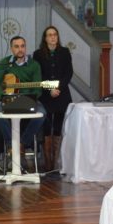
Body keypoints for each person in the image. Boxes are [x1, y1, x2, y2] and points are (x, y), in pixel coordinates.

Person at [0, 36, 47, 169]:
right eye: (17, 46)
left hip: (28, 99)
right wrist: (4, 96)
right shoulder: (5, 63)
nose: (20, 49)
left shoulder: (34, 65)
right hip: (8, 99)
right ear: (11, 48)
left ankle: (21, 144)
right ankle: (12, 144)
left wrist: (30, 97)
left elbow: (38, 89)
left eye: (22, 46)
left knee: (42, 113)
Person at [33, 26, 73, 172]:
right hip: (46, 95)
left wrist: (58, 88)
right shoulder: (38, 54)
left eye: (55, 34)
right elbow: (38, 75)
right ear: (45, 38)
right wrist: (50, 90)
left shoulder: (64, 52)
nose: (53, 37)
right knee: (46, 126)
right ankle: (47, 163)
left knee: (57, 127)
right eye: (49, 35)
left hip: (62, 94)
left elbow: (68, 73)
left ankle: (55, 163)